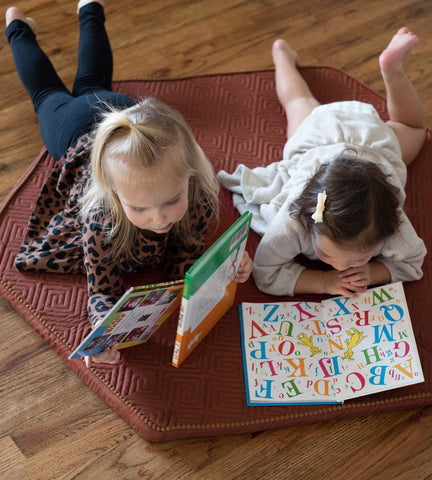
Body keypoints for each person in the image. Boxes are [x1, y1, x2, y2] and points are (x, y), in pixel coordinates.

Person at [5, 1, 253, 364]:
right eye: (138, 207)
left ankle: (89, 11)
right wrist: (104, 331)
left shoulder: (197, 198)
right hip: (74, 127)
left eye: (171, 200)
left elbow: (184, 260)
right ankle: (17, 25)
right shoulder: (99, 218)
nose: (158, 218)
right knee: (46, 94)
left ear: (190, 176)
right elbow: (102, 287)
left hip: (126, 117)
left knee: (92, 84)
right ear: (111, 194)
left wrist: (224, 268)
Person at [218, 28, 427, 298]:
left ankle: (392, 69)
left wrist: (376, 272)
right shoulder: (293, 220)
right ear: (309, 221)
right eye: (327, 254)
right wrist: (322, 281)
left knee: (409, 127)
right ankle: (282, 55)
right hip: (320, 139)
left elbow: (413, 262)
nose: (339, 267)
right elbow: (264, 271)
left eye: (359, 259)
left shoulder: (393, 226)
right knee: (299, 102)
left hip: (371, 143)